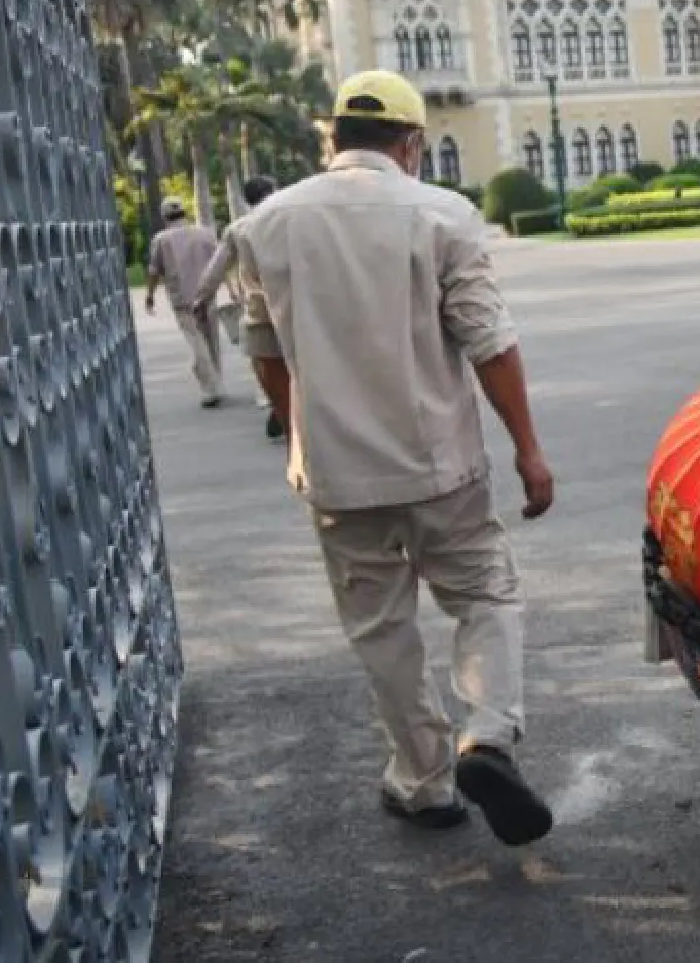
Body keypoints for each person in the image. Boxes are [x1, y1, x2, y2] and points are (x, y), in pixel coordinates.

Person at [229, 70, 558, 845]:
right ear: (412, 144)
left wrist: (302, 424)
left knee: (383, 629)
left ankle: (423, 782)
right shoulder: (442, 215)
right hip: (441, 464)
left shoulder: (268, 224)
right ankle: (487, 736)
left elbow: (264, 351)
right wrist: (529, 451)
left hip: (340, 476)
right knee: (485, 594)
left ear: (331, 140)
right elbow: (490, 342)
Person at [190, 174, 284, 439]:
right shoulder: (293, 222)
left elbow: (216, 269)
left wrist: (202, 298)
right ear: (274, 192)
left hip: (259, 309)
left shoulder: (238, 228)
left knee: (267, 364)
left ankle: (278, 405)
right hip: (296, 307)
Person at [145, 197, 224, 408]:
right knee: (210, 339)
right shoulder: (205, 233)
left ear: (164, 217)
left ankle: (210, 387)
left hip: (182, 299)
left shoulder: (161, 239)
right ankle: (216, 379)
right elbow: (219, 261)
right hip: (208, 295)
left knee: (196, 341)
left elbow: (153, 270)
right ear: (184, 212)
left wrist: (150, 295)